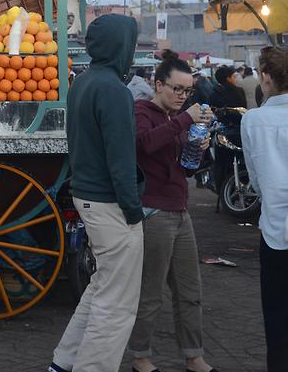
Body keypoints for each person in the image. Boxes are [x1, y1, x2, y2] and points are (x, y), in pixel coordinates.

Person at [49, 14, 144, 372]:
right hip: (110, 204)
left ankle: (64, 362)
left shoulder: (83, 83)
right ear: (123, 47)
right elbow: (121, 159)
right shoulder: (115, 91)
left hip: (87, 196)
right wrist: (133, 211)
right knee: (117, 305)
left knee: (101, 288)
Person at [127, 50, 217, 372]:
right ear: (158, 84)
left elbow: (182, 169)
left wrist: (197, 152)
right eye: (177, 89)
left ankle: (194, 356)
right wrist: (185, 119)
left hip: (180, 210)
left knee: (190, 290)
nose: (182, 96)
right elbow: (145, 144)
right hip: (154, 212)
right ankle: (140, 357)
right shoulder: (142, 111)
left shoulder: (178, 119)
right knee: (150, 292)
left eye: (187, 90)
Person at [240, 45, 288, 371]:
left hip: (275, 231)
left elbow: (254, 179)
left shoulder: (253, 120)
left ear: (266, 77)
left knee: (277, 318)